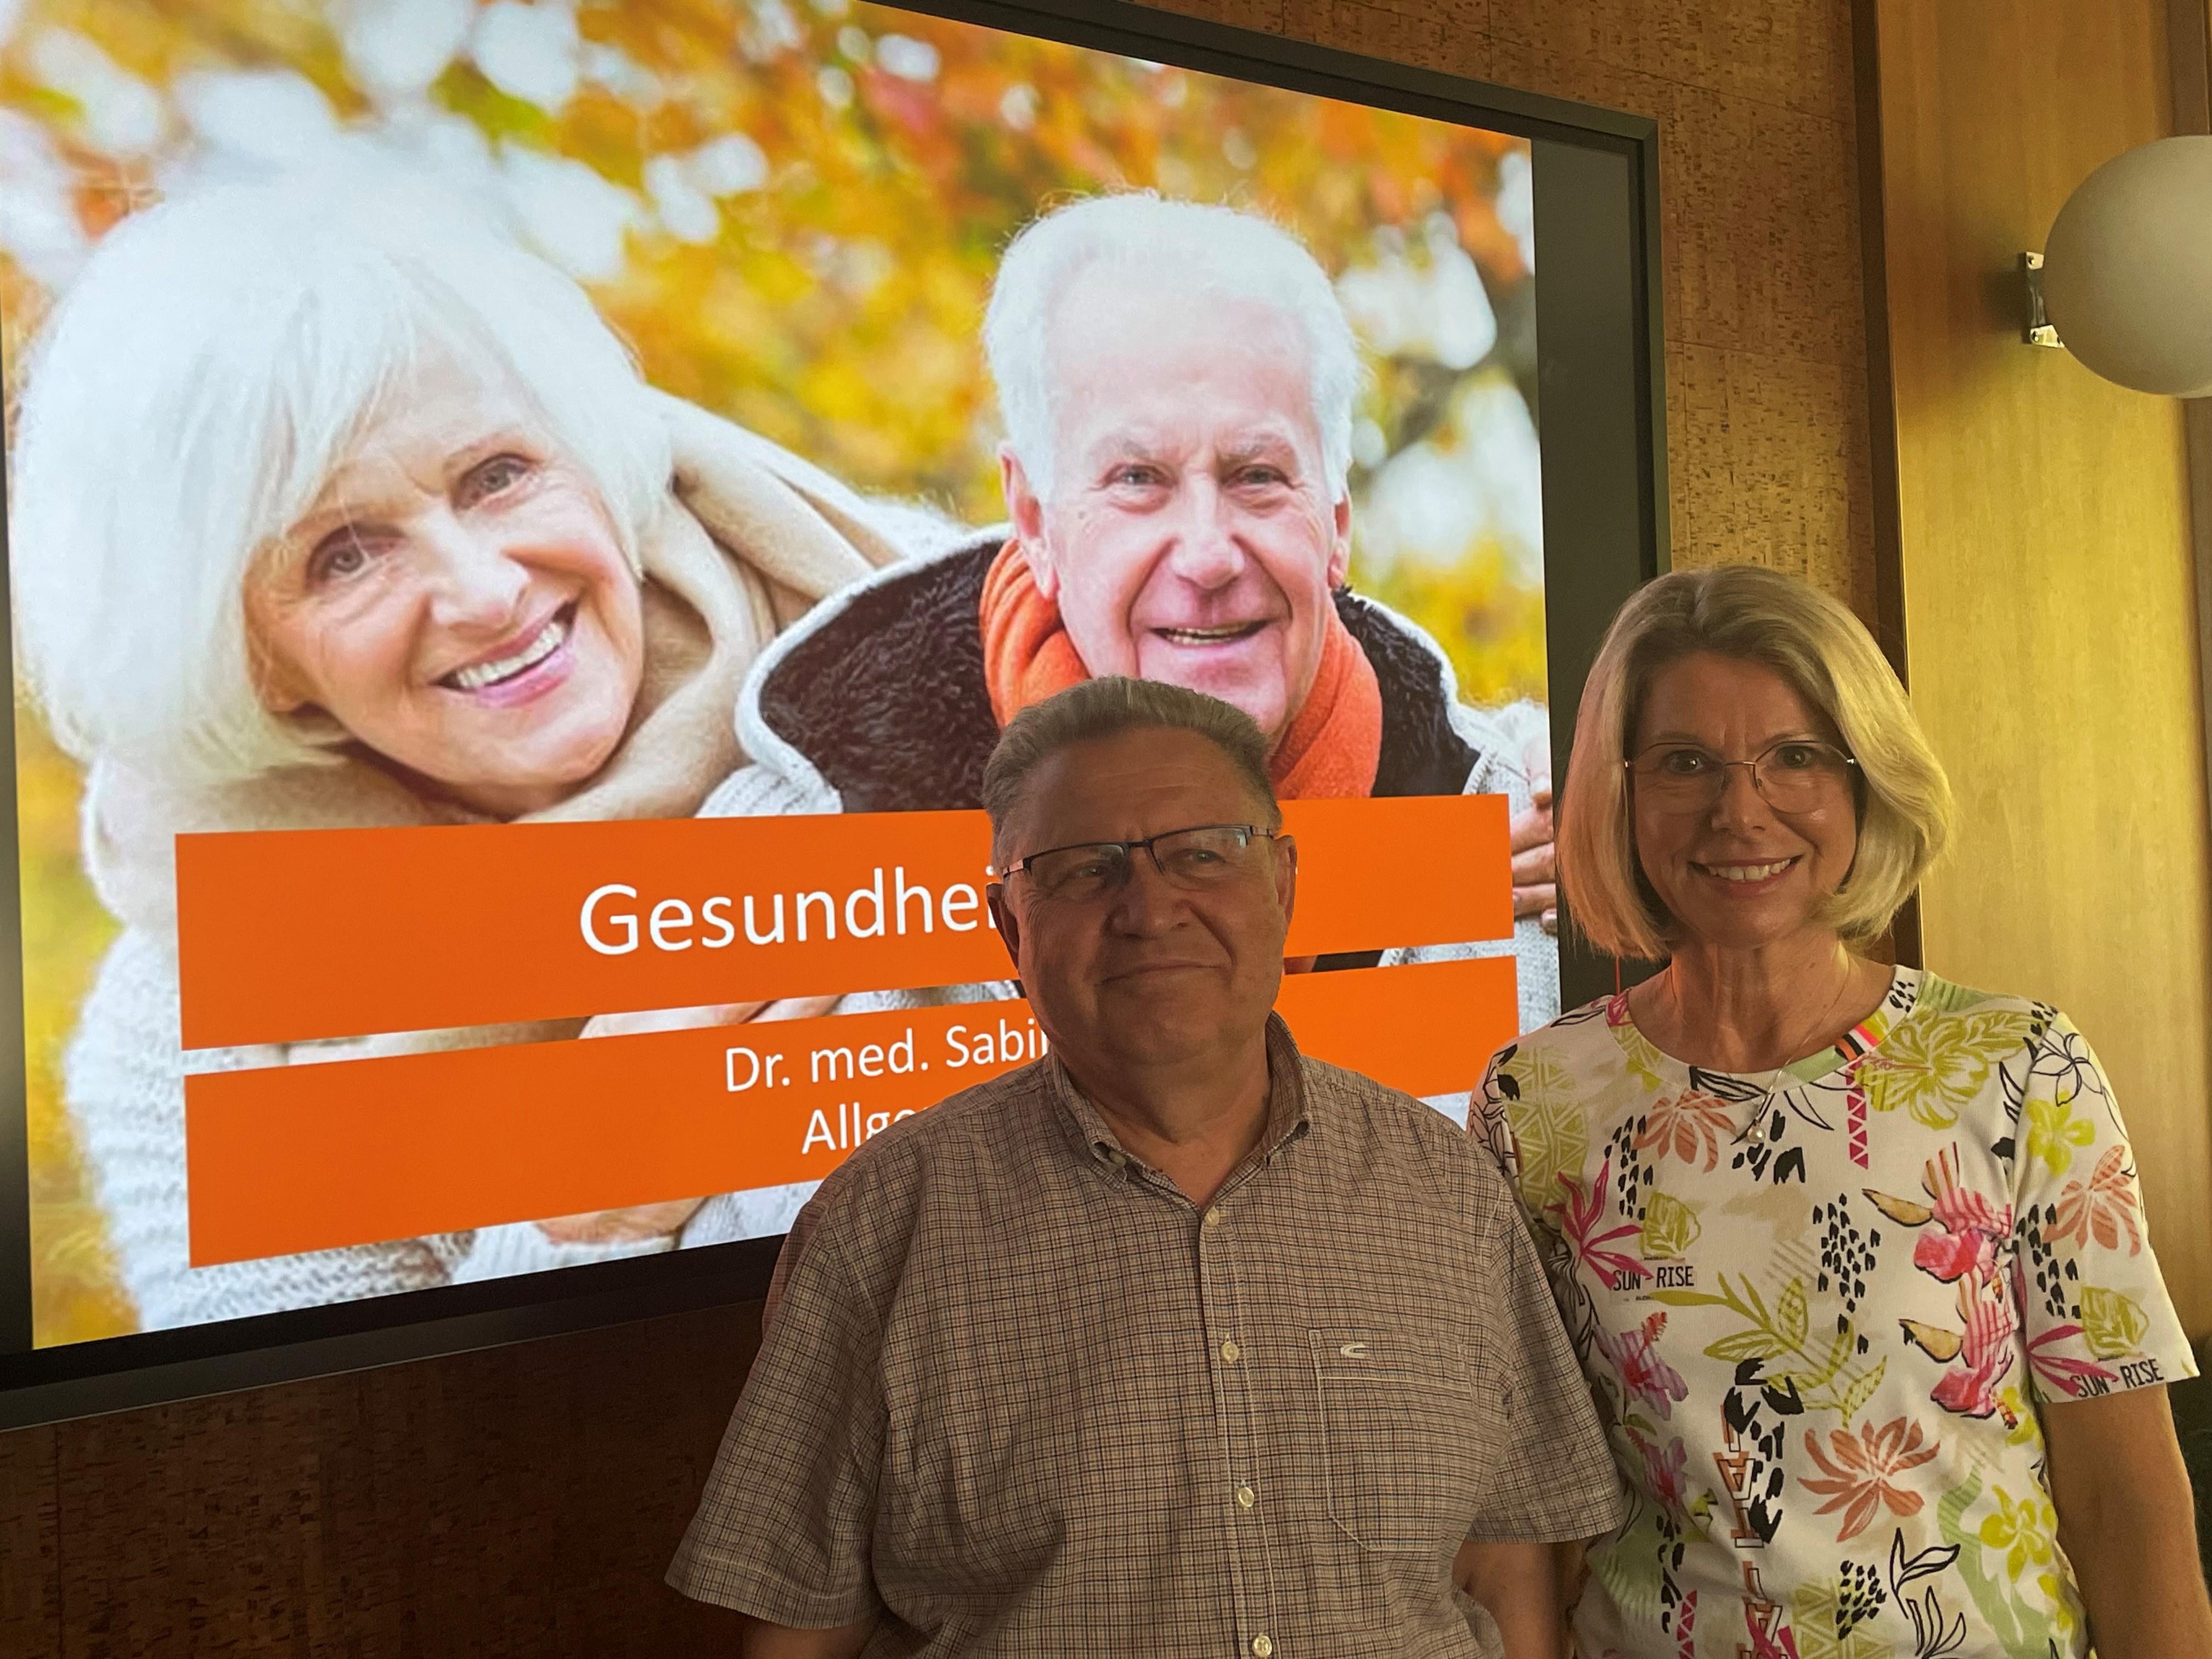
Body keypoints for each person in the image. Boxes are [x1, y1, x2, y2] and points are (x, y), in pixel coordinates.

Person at [7, 168, 930, 1329]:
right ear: (257, 663)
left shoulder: (937, 617)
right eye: (346, 553)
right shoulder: (189, 1039)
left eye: (499, 476)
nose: (486, 592)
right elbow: (344, 1484)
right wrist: (589, 1229)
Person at [669, 676, 1625, 1657]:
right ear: (1010, 930)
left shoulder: (1445, 1189)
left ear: (1283, 886)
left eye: (1202, 854)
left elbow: (1511, 1561)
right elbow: (800, 1630)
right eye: (1085, 871)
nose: (1150, 908)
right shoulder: (882, 1226)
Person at [1473, 565, 2212, 1658]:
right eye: (1686, 764)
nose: (1740, 810)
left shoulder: (2015, 1068)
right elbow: (1531, 1523)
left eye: (1796, 758)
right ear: (1620, 793)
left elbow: (2126, 1502)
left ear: (1867, 782)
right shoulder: (1536, 1105)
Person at [707, 193, 1559, 1031]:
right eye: (1136, 480)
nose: (1207, 555)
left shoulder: (1532, 844)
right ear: (1035, 519)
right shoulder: (785, 862)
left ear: (1336, 525)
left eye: (1256, 475)